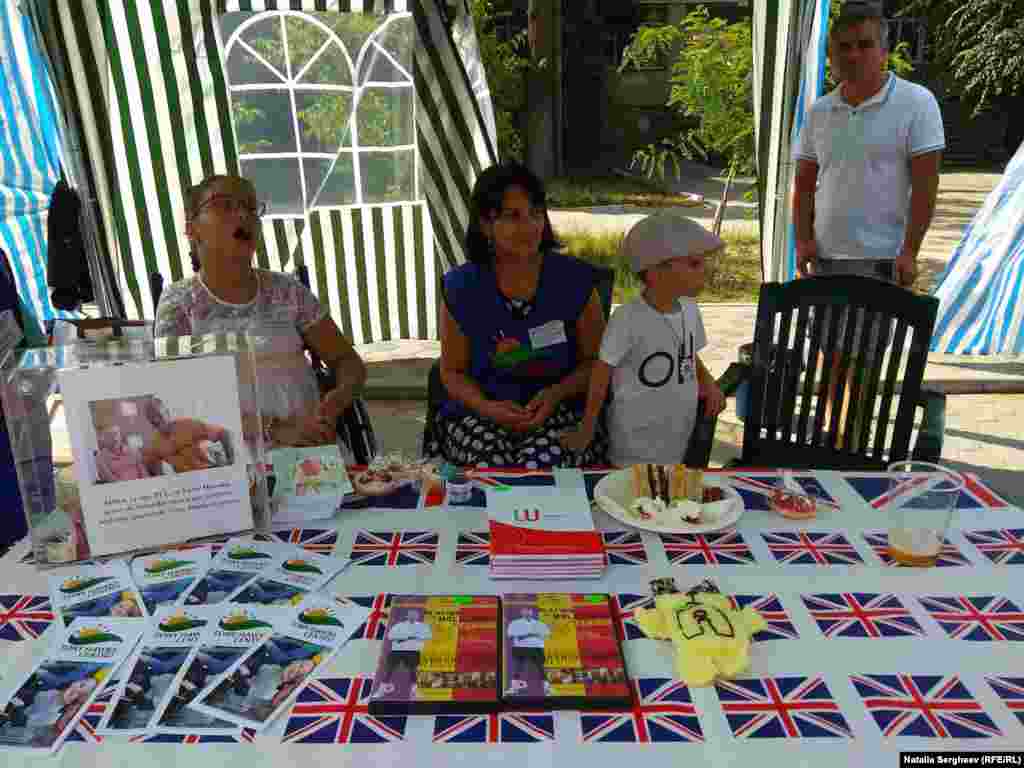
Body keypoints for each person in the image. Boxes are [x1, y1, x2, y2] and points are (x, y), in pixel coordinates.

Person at [792, 1, 944, 438]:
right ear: (831, 55)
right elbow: (803, 185)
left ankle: (849, 445)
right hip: (825, 258)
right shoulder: (820, 111)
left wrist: (910, 250)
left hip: (880, 259)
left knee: (864, 365)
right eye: (843, 47)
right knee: (829, 356)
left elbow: (926, 186)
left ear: (884, 50)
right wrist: (803, 241)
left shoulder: (917, 103)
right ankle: (829, 439)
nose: (853, 55)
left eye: (864, 45)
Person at [154, 173, 366, 451]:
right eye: (224, 204)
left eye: (250, 207)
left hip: (308, 451)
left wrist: (331, 406)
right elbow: (177, 398)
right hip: (227, 459)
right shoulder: (179, 303)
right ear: (192, 229)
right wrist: (274, 429)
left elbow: (347, 362)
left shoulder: (286, 291)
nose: (243, 214)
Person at [424, 162, 609, 468]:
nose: (529, 227)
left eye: (536, 214)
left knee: (540, 469)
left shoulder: (575, 281)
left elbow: (597, 362)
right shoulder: (461, 286)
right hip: (480, 412)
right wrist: (487, 407)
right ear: (485, 224)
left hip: (560, 410)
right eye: (513, 216)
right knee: (489, 467)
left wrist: (555, 394)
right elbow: (452, 372)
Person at [560, 213, 727, 467]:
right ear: (655, 272)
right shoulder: (628, 319)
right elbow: (601, 372)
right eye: (694, 264)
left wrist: (709, 383)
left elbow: (689, 353)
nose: (704, 272)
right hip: (633, 443)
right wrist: (588, 426)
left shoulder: (691, 309)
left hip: (677, 435)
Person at [140, 397, 230, 475]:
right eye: (152, 419)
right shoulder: (156, 443)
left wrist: (230, 463)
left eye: (159, 415)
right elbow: (149, 463)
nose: (156, 419)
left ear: (167, 412)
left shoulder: (188, 425)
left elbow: (224, 433)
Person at [374, 608, 432, 697]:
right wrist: (406, 637)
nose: (412, 617)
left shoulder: (422, 626)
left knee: (413, 671)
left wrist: (414, 637)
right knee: (389, 670)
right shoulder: (399, 625)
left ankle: (414, 692)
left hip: (413, 652)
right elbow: (390, 636)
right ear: (407, 617)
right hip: (397, 651)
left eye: (414, 615)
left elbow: (428, 636)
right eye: (410, 615)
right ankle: (381, 691)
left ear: (417, 617)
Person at [505, 606, 550, 695]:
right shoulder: (515, 623)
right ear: (522, 612)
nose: (527, 612)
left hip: (537, 648)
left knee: (541, 668)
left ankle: (547, 689)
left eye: (529, 611)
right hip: (520, 648)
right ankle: (514, 689)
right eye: (525, 611)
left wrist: (533, 635)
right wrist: (529, 634)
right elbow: (510, 634)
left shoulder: (540, 624)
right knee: (518, 668)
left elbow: (546, 635)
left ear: (532, 612)